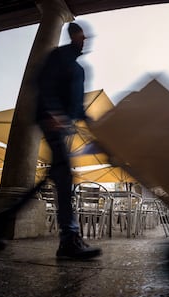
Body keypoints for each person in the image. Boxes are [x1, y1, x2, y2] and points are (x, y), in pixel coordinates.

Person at [36, 22, 101, 259]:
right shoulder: (59, 56)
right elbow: (45, 86)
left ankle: (1, 224)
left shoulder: (80, 70)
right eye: (81, 37)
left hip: (64, 127)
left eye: (85, 38)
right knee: (64, 177)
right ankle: (69, 241)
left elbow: (79, 107)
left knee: (57, 175)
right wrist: (53, 113)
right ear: (73, 35)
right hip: (51, 122)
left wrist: (96, 126)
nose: (85, 41)